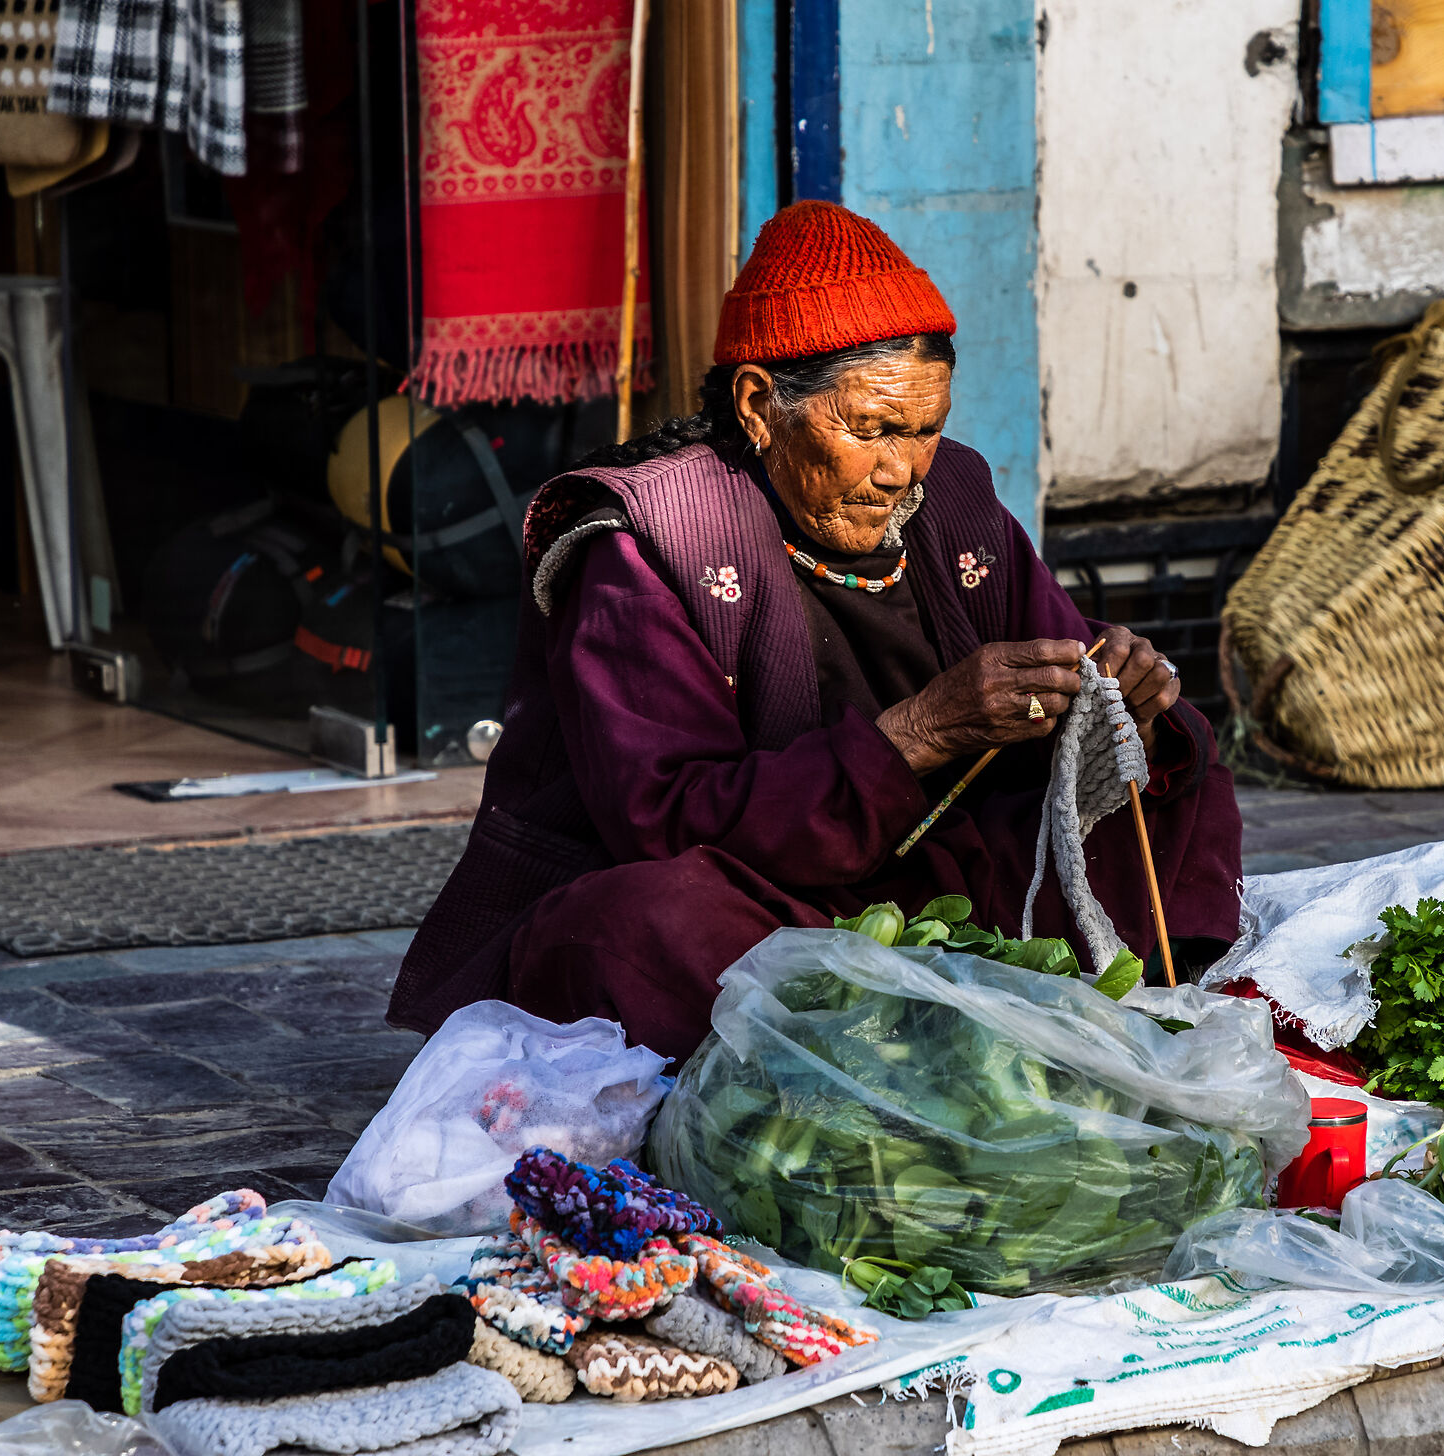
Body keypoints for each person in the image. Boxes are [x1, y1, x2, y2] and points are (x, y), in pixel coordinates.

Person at [389, 201, 1243, 1061]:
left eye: (926, 430)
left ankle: (1098, 1006)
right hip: (762, 894)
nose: (900, 469)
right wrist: (920, 731)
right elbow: (664, 822)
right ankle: (894, 1041)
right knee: (645, 922)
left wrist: (1108, 679)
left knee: (1177, 751)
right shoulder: (649, 544)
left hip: (932, 887)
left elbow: (1047, 678)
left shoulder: (952, 496)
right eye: (869, 429)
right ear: (759, 404)